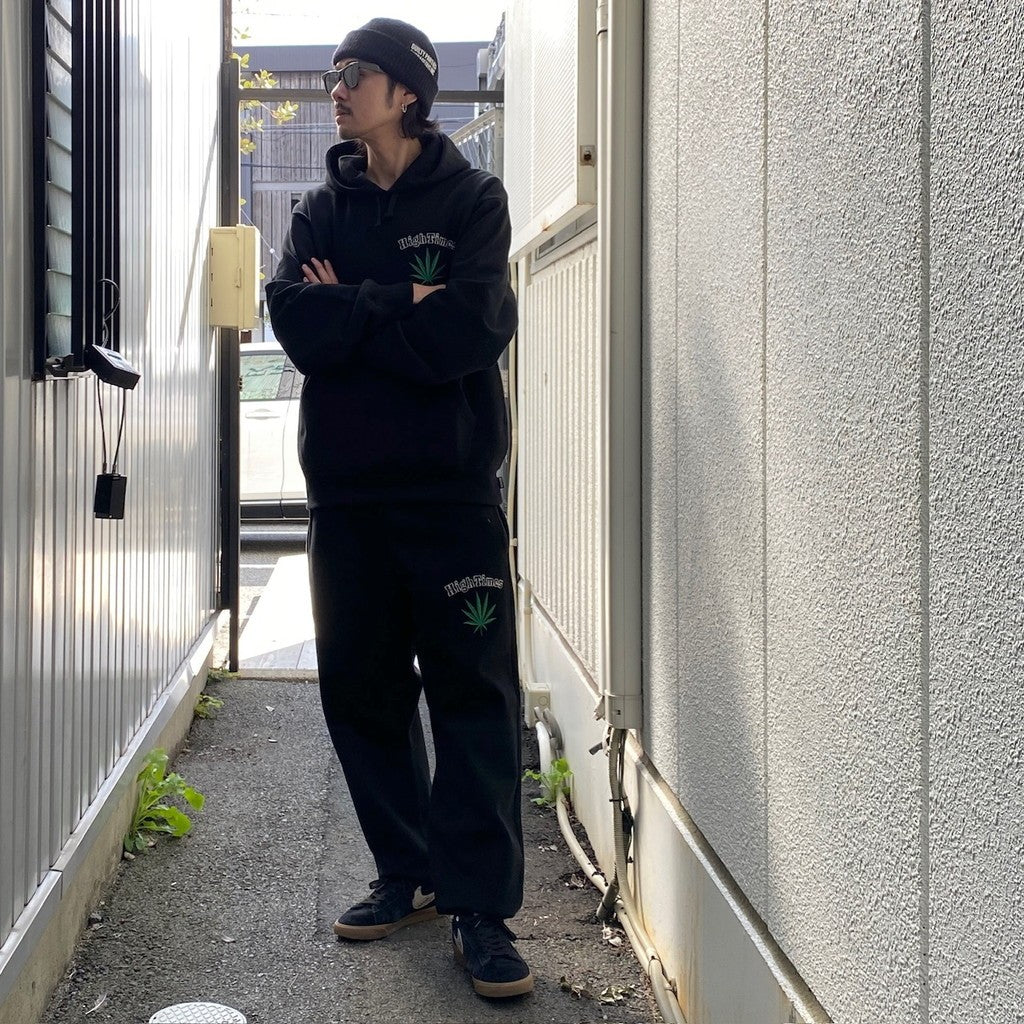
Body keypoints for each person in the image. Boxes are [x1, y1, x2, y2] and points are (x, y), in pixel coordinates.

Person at [265, 17, 531, 1000]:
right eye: (335, 71)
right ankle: (408, 872)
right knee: (362, 691)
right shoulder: (319, 210)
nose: (337, 87)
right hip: (349, 497)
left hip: (450, 496)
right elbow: (296, 322)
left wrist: (356, 308)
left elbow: (473, 325)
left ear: (408, 91)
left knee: (472, 698)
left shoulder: (471, 200)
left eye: (356, 73)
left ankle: (481, 910)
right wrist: (400, 304)